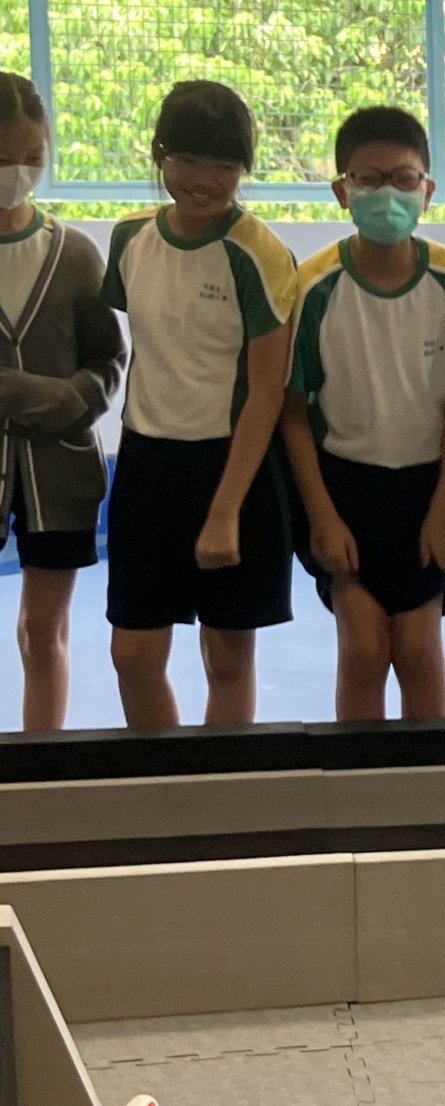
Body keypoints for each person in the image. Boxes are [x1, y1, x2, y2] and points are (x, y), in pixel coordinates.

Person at [281, 106, 445, 723]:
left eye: (404, 179)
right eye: (369, 179)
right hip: (344, 490)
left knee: (420, 651)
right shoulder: (314, 287)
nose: (387, 194)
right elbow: (293, 411)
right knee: (364, 650)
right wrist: (322, 517)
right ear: (342, 191)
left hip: (430, 488)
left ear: (427, 191)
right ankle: (361, 776)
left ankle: (429, 777)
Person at [100, 80, 298, 729]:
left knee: (227, 658)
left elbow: (267, 392)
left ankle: (225, 781)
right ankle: (163, 777)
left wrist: (224, 511)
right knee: (132, 655)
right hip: (146, 465)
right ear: (160, 155)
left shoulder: (260, 254)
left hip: (234, 469)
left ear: (243, 168)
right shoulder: (129, 240)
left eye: (224, 165)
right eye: (187, 159)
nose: (204, 180)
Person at [0, 71, 126, 731]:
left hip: (61, 473)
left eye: (32, 158)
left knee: (41, 632)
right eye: (4, 159)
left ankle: (40, 758)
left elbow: (107, 362)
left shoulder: (75, 254)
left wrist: (59, 399)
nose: (18, 174)